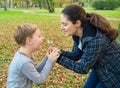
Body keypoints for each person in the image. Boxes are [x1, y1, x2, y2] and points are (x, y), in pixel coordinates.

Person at [50, 4, 120, 88]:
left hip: (114, 72)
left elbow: (83, 68)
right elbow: (75, 55)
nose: (61, 28)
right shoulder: (77, 34)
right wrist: (59, 52)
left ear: (77, 23)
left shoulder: (95, 39)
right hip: (100, 68)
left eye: (65, 24)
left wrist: (58, 58)